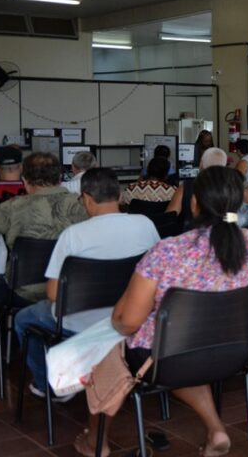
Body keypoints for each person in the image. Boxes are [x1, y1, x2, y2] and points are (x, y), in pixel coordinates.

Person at [76, 166, 248, 457]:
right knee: (187, 347)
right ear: (239, 203)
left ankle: (95, 442)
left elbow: (127, 322)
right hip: (237, 354)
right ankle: (215, 431)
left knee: (104, 348)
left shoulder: (167, 252)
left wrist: (114, 322)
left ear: (194, 203)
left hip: (168, 358)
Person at [14, 168, 160, 401]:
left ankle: (50, 386)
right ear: (120, 195)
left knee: (22, 319)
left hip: (80, 321)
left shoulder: (74, 234)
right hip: (131, 318)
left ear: (87, 199)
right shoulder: (145, 224)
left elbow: (54, 294)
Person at [0, 152, 88, 307]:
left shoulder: (12, 207)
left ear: (25, 181)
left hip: (22, 291)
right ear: (60, 178)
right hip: (70, 289)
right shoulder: (83, 206)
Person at [167, 148, 248, 229]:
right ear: (224, 165)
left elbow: (170, 216)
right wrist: (224, 219)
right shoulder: (232, 187)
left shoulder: (185, 187)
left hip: (189, 235)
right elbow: (247, 216)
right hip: (227, 237)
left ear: (201, 164)